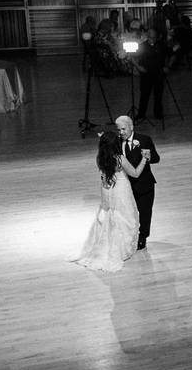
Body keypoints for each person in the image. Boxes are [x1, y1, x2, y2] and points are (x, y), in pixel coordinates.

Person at [71, 131, 150, 272]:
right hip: (121, 190)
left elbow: (103, 178)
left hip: (108, 190)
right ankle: (122, 249)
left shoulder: (101, 158)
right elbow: (135, 173)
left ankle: (105, 246)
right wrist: (144, 159)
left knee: (109, 216)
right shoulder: (120, 158)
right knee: (126, 217)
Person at [114, 115, 160, 251]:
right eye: (119, 130)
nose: (121, 132)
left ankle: (143, 237)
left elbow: (156, 159)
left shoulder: (144, 139)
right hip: (126, 185)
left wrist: (148, 156)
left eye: (124, 129)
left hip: (144, 183)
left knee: (145, 212)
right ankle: (128, 236)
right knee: (128, 212)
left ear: (131, 127)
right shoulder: (116, 142)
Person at [133, 27, 167, 121]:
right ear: (147, 37)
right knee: (144, 94)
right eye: (151, 37)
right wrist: (139, 67)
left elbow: (167, 56)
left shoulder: (161, 45)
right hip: (146, 74)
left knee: (158, 94)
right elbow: (132, 57)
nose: (153, 39)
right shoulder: (142, 46)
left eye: (154, 37)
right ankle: (141, 113)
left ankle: (158, 113)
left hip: (158, 73)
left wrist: (167, 66)